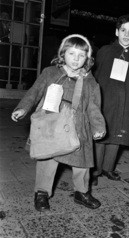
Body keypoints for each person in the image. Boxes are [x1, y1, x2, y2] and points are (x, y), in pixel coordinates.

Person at [11, 34, 106, 211]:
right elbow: (34, 92)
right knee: (47, 159)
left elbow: (94, 107)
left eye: (81, 55)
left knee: (82, 162)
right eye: (72, 53)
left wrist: (98, 127)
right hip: (52, 123)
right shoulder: (50, 72)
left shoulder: (90, 82)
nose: (76, 59)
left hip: (79, 125)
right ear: (62, 54)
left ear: (88, 58)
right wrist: (23, 108)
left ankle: (82, 192)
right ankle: (41, 192)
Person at [92, 14, 129, 185]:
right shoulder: (104, 52)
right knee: (100, 134)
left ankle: (108, 168)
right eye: (123, 30)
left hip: (124, 103)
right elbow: (94, 77)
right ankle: (96, 169)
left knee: (117, 135)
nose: (126, 34)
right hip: (104, 101)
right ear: (116, 32)